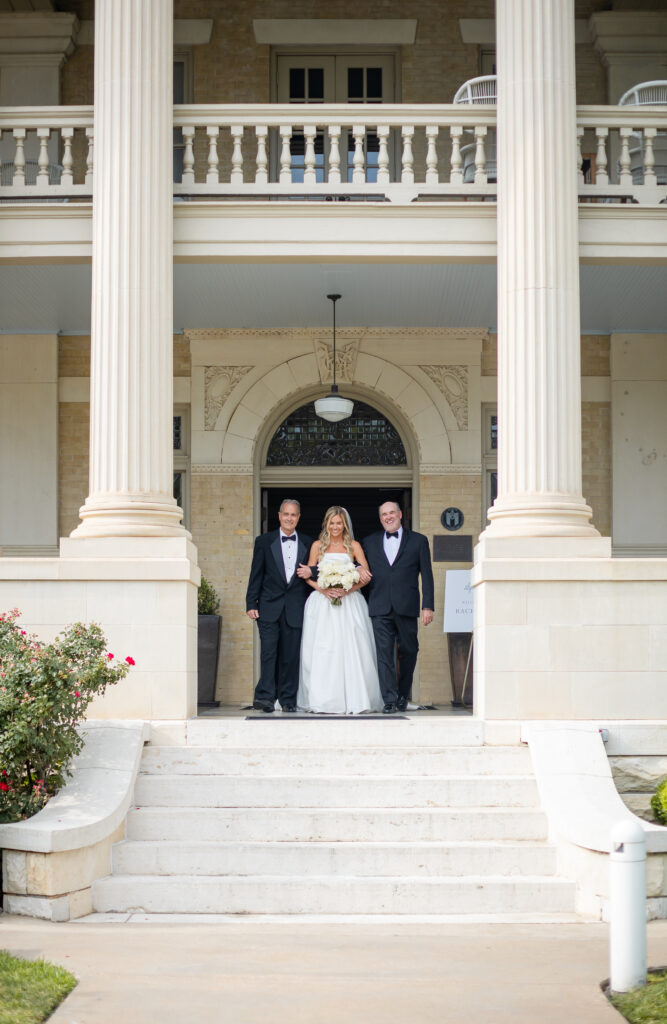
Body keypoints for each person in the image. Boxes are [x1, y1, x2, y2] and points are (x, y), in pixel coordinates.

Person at [297, 506, 383, 715]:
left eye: (339, 523)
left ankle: (355, 698)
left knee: (351, 649)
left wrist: (348, 590)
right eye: (331, 523)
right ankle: (323, 699)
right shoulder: (318, 545)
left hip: (349, 603)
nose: (335, 527)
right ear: (326, 524)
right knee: (324, 650)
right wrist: (323, 590)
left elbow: (366, 576)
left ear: (345, 524)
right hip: (322, 604)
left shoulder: (353, 546)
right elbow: (308, 574)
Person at [362, 500, 434, 714]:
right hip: (379, 606)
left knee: (410, 650)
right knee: (384, 654)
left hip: (407, 606)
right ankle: (389, 700)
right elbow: (359, 565)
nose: (388, 517)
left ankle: (403, 694)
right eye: (384, 514)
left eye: (392, 512)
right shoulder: (369, 541)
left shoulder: (419, 541)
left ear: (401, 514)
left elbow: (427, 576)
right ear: (380, 517)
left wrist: (427, 606)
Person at [245, 499, 313, 713]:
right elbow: (256, 573)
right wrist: (250, 602)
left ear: (298, 518)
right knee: (268, 653)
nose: (289, 518)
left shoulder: (309, 542)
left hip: (295, 608)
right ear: (279, 515)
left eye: (293, 515)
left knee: (290, 655)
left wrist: (313, 572)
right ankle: (265, 697)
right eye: (286, 514)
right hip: (268, 606)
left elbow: (316, 572)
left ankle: (288, 699)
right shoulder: (264, 541)